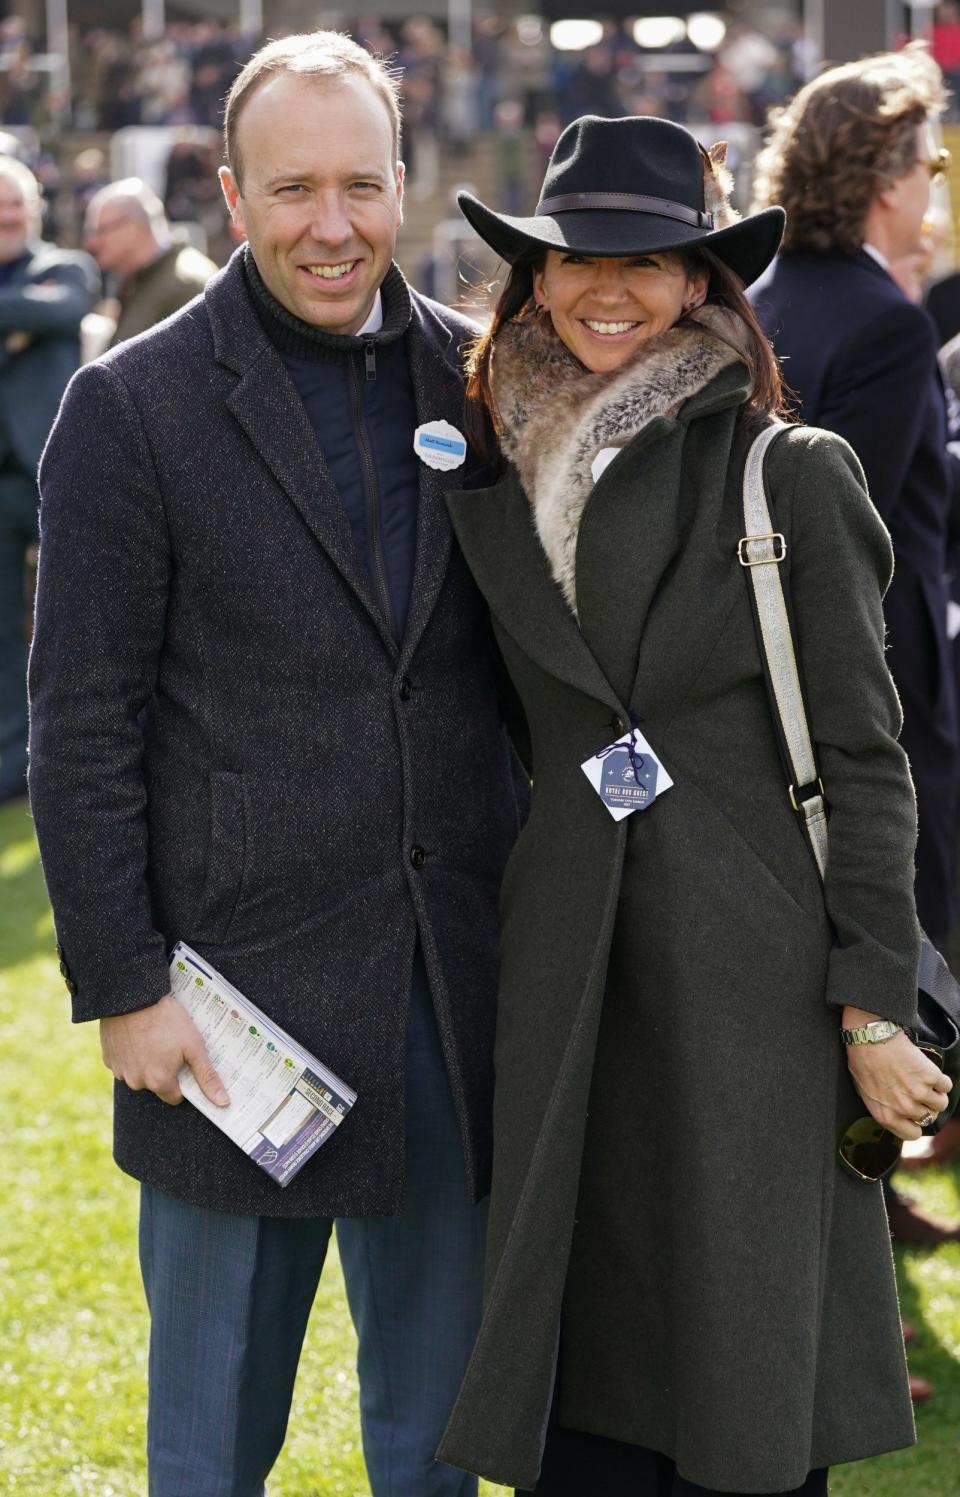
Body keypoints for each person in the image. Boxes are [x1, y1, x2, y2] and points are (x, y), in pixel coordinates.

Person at [29, 30, 526, 1497]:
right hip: (228, 1027)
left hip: (449, 993)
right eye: (294, 188)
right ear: (232, 198)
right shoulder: (130, 405)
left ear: (404, 187)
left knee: (437, 1441)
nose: (333, 226)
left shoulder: (483, 379)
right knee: (209, 1451)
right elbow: (82, 724)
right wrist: (121, 984)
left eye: (361, 186)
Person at [431, 114, 950, 1496]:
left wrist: (872, 994)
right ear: (533, 275)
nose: (610, 288)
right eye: (576, 258)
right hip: (567, 989)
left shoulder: (792, 471)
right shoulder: (491, 459)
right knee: (583, 1400)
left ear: (704, 282)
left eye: (651, 261)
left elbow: (867, 759)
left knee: (746, 1397)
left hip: (751, 1003)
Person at [750, 47, 960, 956]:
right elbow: (854, 534)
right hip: (884, 694)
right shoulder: (888, 322)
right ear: (884, 177)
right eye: (931, 163)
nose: (934, 185)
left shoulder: (757, 298)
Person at [0, 155, 96, 806]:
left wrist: (27, 322)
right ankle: (12, 765)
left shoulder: (66, 268)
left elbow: (64, 311)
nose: (7, 218)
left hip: (50, 471)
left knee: (79, 619)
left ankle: (84, 757)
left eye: (15, 206)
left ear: (34, 210)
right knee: (4, 629)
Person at [83, 176, 217, 347]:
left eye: (100, 231)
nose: (91, 242)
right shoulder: (142, 278)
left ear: (132, 227)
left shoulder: (187, 284)